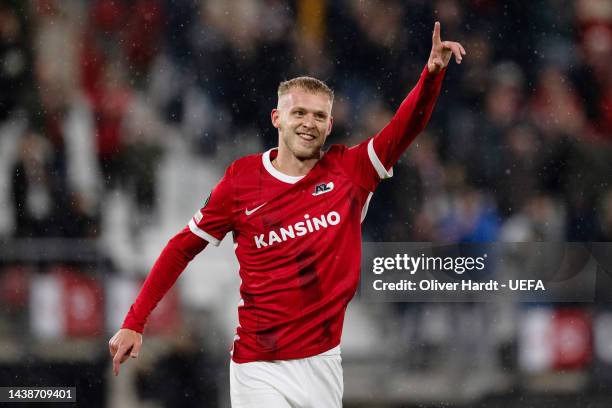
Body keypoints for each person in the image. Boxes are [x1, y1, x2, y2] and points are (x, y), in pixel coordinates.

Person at [109, 21, 465, 408]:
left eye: (318, 116)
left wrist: (431, 76)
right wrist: (134, 320)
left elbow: (405, 127)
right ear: (277, 118)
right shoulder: (241, 182)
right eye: (299, 113)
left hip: (323, 364)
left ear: (330, 125)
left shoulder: (350, 172)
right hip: (257, 364)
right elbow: (182, 247)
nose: (308, 124)